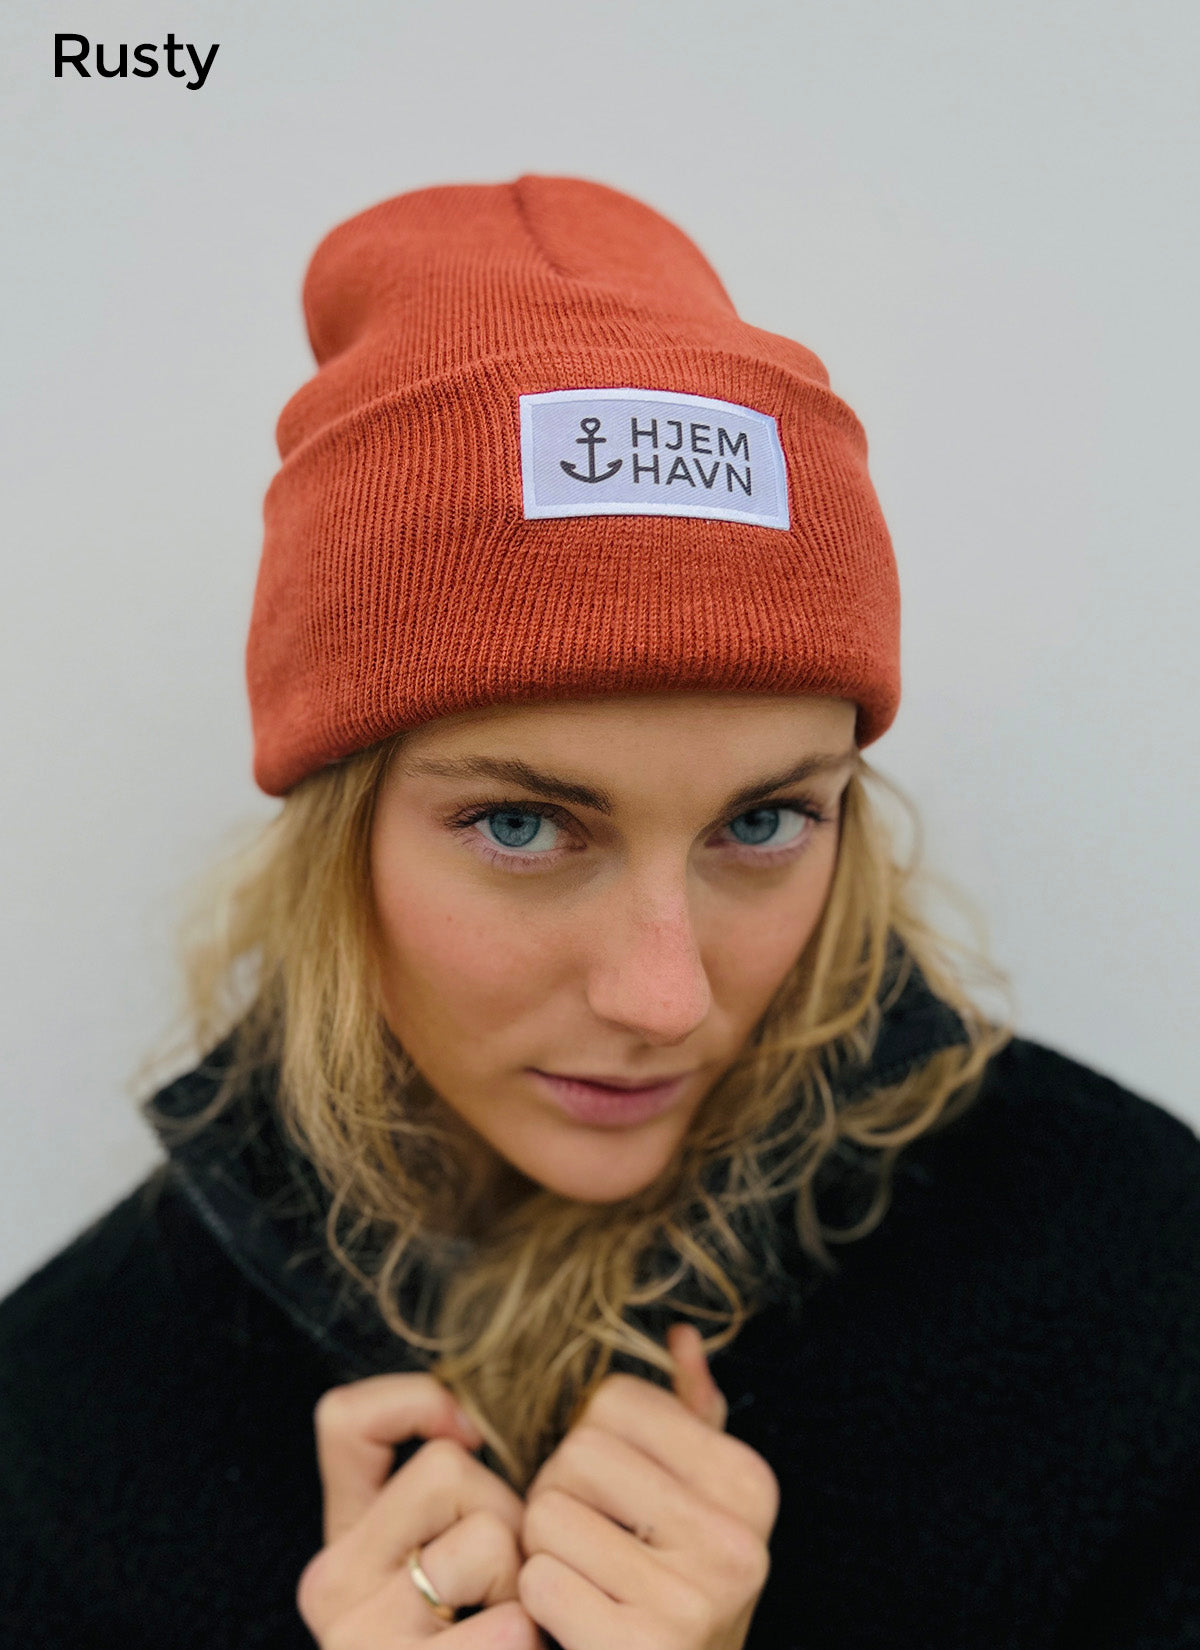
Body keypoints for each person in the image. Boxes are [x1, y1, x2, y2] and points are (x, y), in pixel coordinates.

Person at [1, 174, 1198, 1650]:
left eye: (764, 822)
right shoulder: (63, 1430)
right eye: (522, 826)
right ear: (338, 837)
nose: (664, 996)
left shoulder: (1130, 1276)